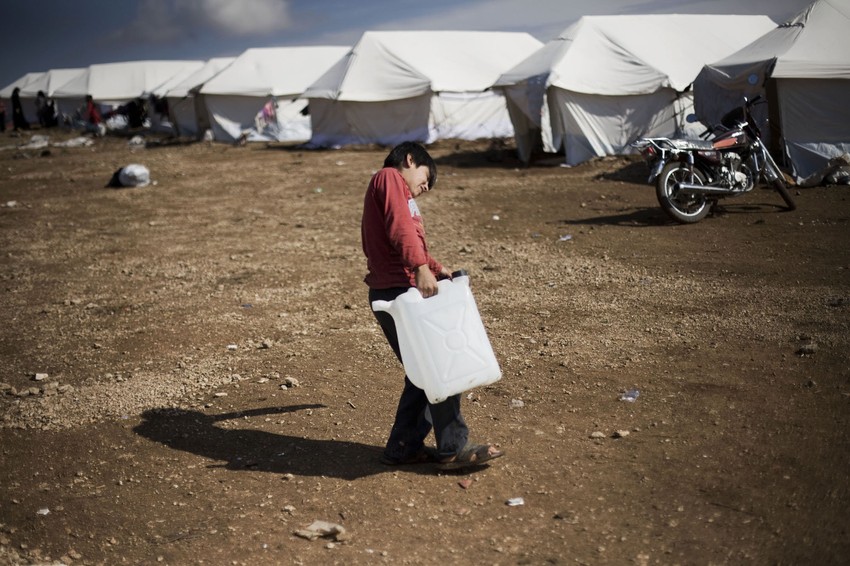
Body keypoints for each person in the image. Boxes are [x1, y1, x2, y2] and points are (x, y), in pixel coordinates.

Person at [361, 141, 504, 471]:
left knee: (423, 371)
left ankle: (404, 447)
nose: (424, 189)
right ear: (410, 159)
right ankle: (453, 447)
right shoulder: (388, 177)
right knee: (439, 366)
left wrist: (436, 268)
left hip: (398, 287)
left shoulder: (397, 191)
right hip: (399, 291)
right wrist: (420, 268)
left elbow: (406, 234)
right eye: (425, 180)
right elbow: (400, 227)